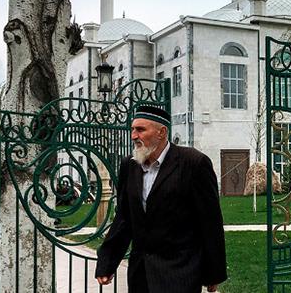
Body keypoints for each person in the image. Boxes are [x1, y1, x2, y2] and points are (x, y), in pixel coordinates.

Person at [95, 105, 227, 293]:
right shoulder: (129, 166)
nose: (133, 136)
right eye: (132, 129)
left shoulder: (193, 163)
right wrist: (107, 262)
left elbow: (210, 221)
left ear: (161, 132)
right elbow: (125, 217)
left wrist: (213, 273)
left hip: (180, 273)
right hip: (141, 275)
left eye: (140, 129)